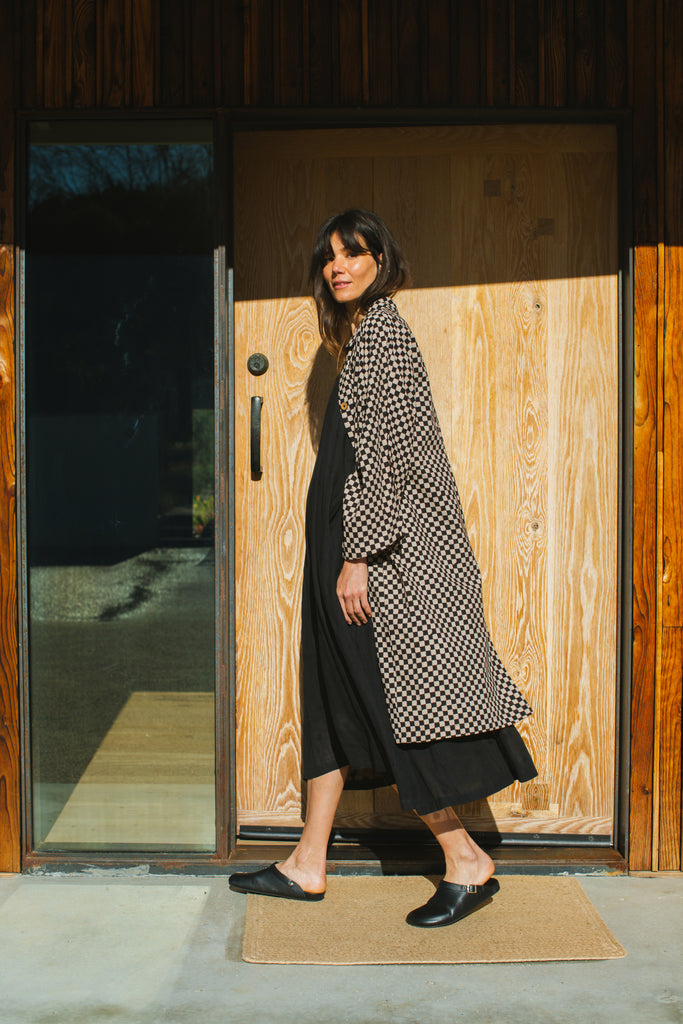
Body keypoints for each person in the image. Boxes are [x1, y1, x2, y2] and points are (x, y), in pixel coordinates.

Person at [230, 209, 537, 927]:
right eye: (329, 257)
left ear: (380, 261)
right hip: (342, 547)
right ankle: (308, 862)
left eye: (353, 253)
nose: (338, 266)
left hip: (374, 558)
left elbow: (391, 465)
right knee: (332, 698)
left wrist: (359, 556)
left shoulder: (386, 339)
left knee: (384, 700)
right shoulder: (363, 341)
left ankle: (464, 858)